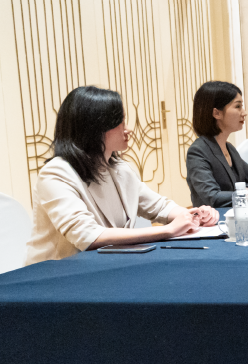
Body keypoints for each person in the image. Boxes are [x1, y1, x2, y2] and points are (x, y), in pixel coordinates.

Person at [25, 86, 218, 264]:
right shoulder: (56, 174)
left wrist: (193, 215)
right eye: (120, 122)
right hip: (57, 274)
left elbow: (159, 206)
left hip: (106, 265)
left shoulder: (119, 168)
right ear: (95, 128)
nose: (128, 130)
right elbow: (87, 236)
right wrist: (168, 230)